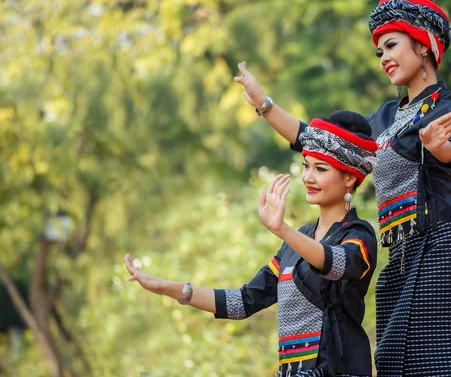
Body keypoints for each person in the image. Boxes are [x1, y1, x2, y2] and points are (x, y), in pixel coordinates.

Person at [233, 0, 451, 376]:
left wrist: (439, 148)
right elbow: (318, 142)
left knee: (443, 366)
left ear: (422, 45)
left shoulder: (444, 103)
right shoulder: (382, 118)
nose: (383, 57)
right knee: (392, 364)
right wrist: (264, 104)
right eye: (379, 51)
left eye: (391, 45)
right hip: (398, 256)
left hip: (442, 246)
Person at [124, 111, 379, 377]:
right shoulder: (296, 242)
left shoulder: (360, 236)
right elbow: (242, 302)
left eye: (320, 169)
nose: (308, 177)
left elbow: (335, 263)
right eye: (306, 166)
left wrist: (281, 229)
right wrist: (166, 287)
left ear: (350, 178)